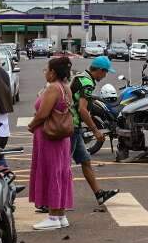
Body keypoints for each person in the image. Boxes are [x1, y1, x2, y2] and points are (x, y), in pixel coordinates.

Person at [27, 57, 74, 230]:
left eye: (46, 70)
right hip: (61, 138)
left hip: (49, 137)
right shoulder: (65, 87)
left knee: (51, 172)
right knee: (60, 172)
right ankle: (60, 214)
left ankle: (53, 217)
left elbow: (42, 113)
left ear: (53, 72)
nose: (45, 72)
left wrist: (31, 126)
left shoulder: (53, 88)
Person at [70, 55, 119, 205]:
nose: (104, 76)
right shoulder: (87, 83)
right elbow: (83, 110)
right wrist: (95, 131)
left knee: (85, 161)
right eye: (104, 73)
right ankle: (52, 201)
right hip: (71, 127)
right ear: (98, 70)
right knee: (62, 166)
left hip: (74, 127)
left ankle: (99, 194)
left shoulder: (82, 76)